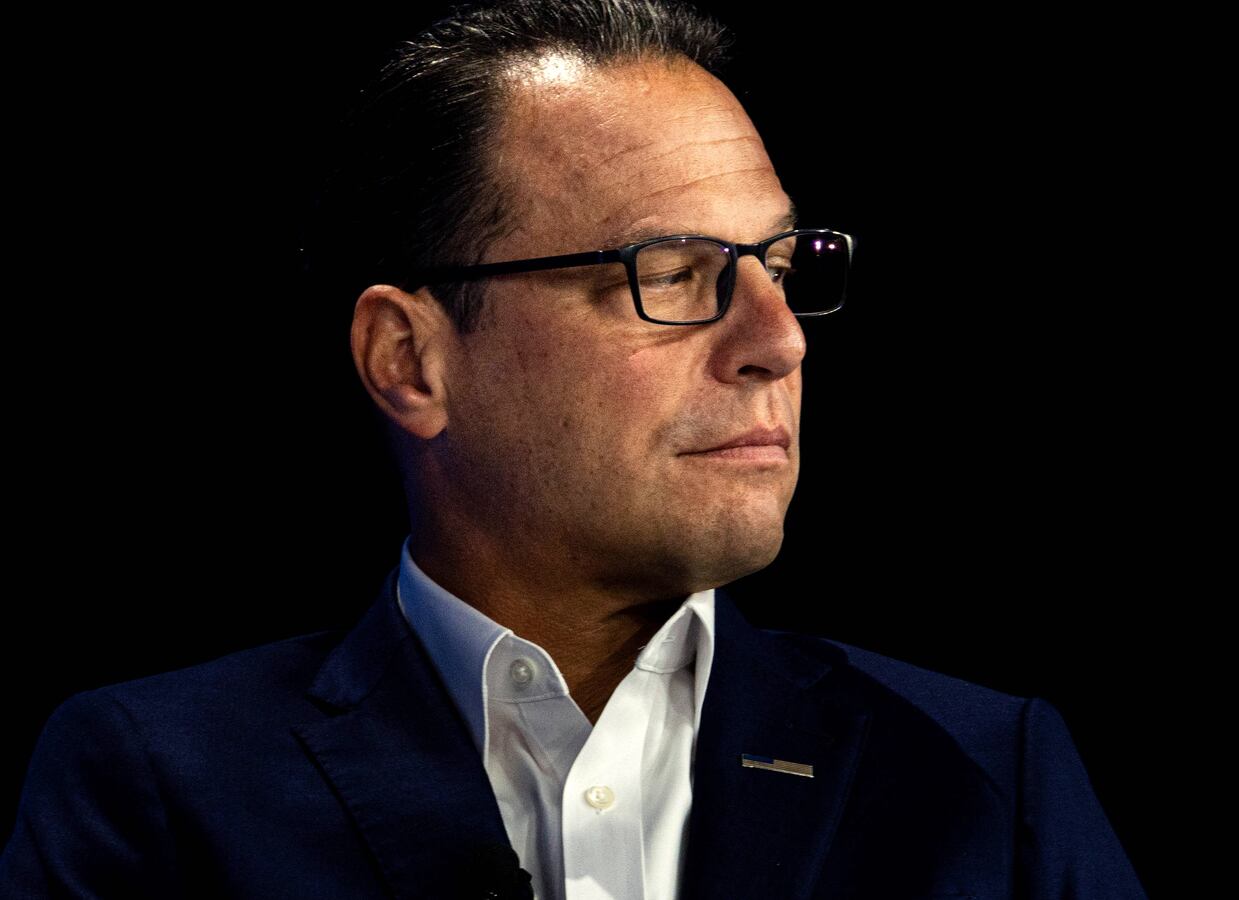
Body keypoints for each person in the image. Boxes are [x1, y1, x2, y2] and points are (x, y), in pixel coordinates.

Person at [0, 2, 1146, 897]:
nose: (780, 341)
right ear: (409, 360)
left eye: (784, 268)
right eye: (672, 272)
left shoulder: (989, 774)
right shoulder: (154, 781)